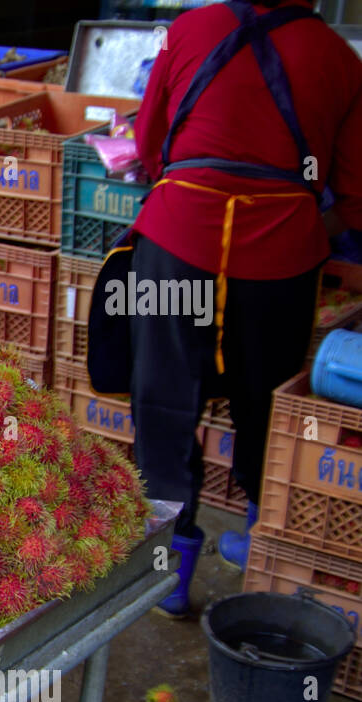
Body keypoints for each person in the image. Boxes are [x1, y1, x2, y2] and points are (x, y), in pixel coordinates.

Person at [129, 0, 362, 617]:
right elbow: (357, 195)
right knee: (267, 407)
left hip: (178, 244)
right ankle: (262, 560)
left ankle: (168, 575)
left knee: (164, 399)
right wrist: (295, 205)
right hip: (279, 265)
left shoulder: (189, 28)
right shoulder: (340, 59)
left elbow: (150, 144)